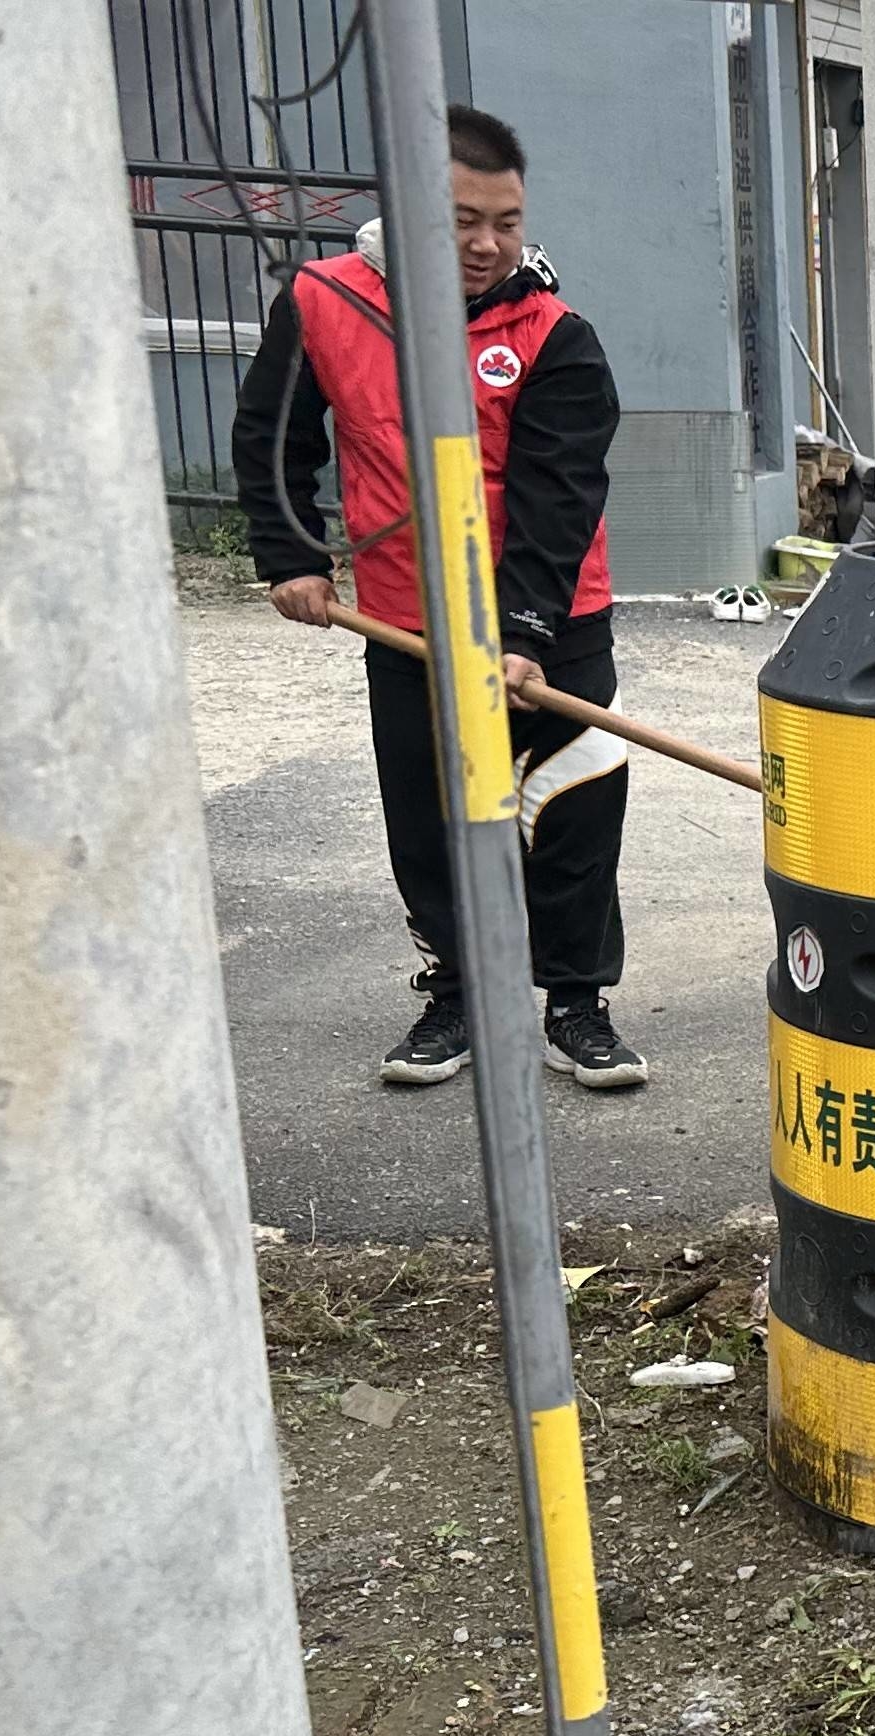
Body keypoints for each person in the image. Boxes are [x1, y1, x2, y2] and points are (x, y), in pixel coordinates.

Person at [234, 103, 638, 1089]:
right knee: (431, 813)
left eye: (506, 221)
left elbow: (562, 499)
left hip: (557, 617)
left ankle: (575, 1001)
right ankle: (458, 991)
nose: (490, 244)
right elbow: (271, 439)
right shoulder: (325, 304)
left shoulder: (553, 332)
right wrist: (290, 556)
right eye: (464, 220)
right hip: (406, 619)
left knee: (573, 805)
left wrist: (529, 633)